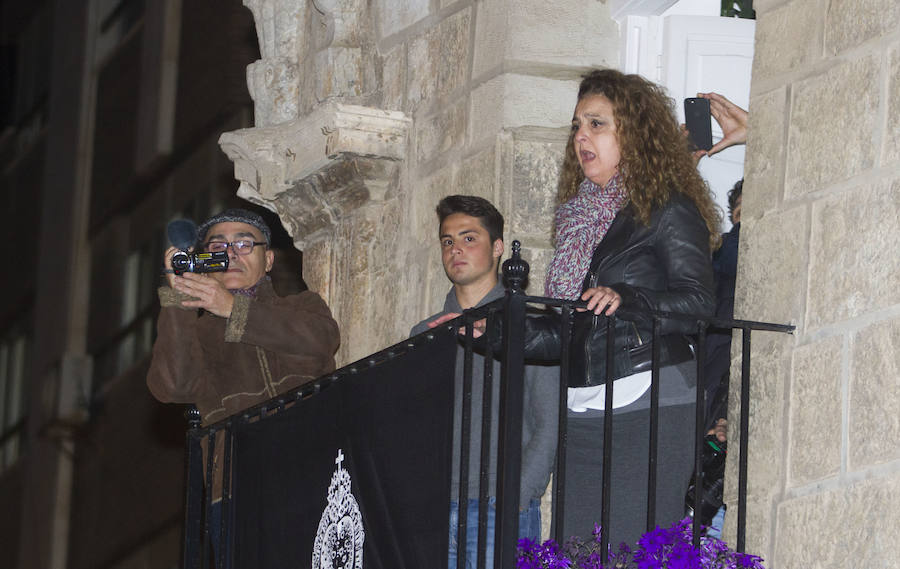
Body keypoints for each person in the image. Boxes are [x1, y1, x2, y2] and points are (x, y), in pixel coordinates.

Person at [536, 69, 720, 546]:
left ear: (634, 134)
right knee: (574, 549)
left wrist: (631, 298)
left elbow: (699, 303)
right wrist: (496, 331)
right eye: (577, 126)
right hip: (583, 399)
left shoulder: (667, 208)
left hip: (648, 395)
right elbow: (569, 325)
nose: (581, 136)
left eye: (596, 124)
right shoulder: (577, 220)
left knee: (630, 547)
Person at [146, 208, 341, 560]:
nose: (231, 254)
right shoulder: (198, 334)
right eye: (218, 247)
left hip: (316, 470)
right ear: (203, 262)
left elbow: (322, 340)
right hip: (236, 488)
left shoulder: (303, 306)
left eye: (244, 243)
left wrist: (233, 309)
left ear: (268, 260)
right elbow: (172, 385)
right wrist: (177, 300)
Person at [411, 195, 558, 569]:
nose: (455, 249)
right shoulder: (425, 332)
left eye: (469, 238)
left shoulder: (530, 325)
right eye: (448, 241)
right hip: (431, 507)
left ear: (497, 248)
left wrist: (517, 494)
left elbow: (550, 419)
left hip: (498, 505)